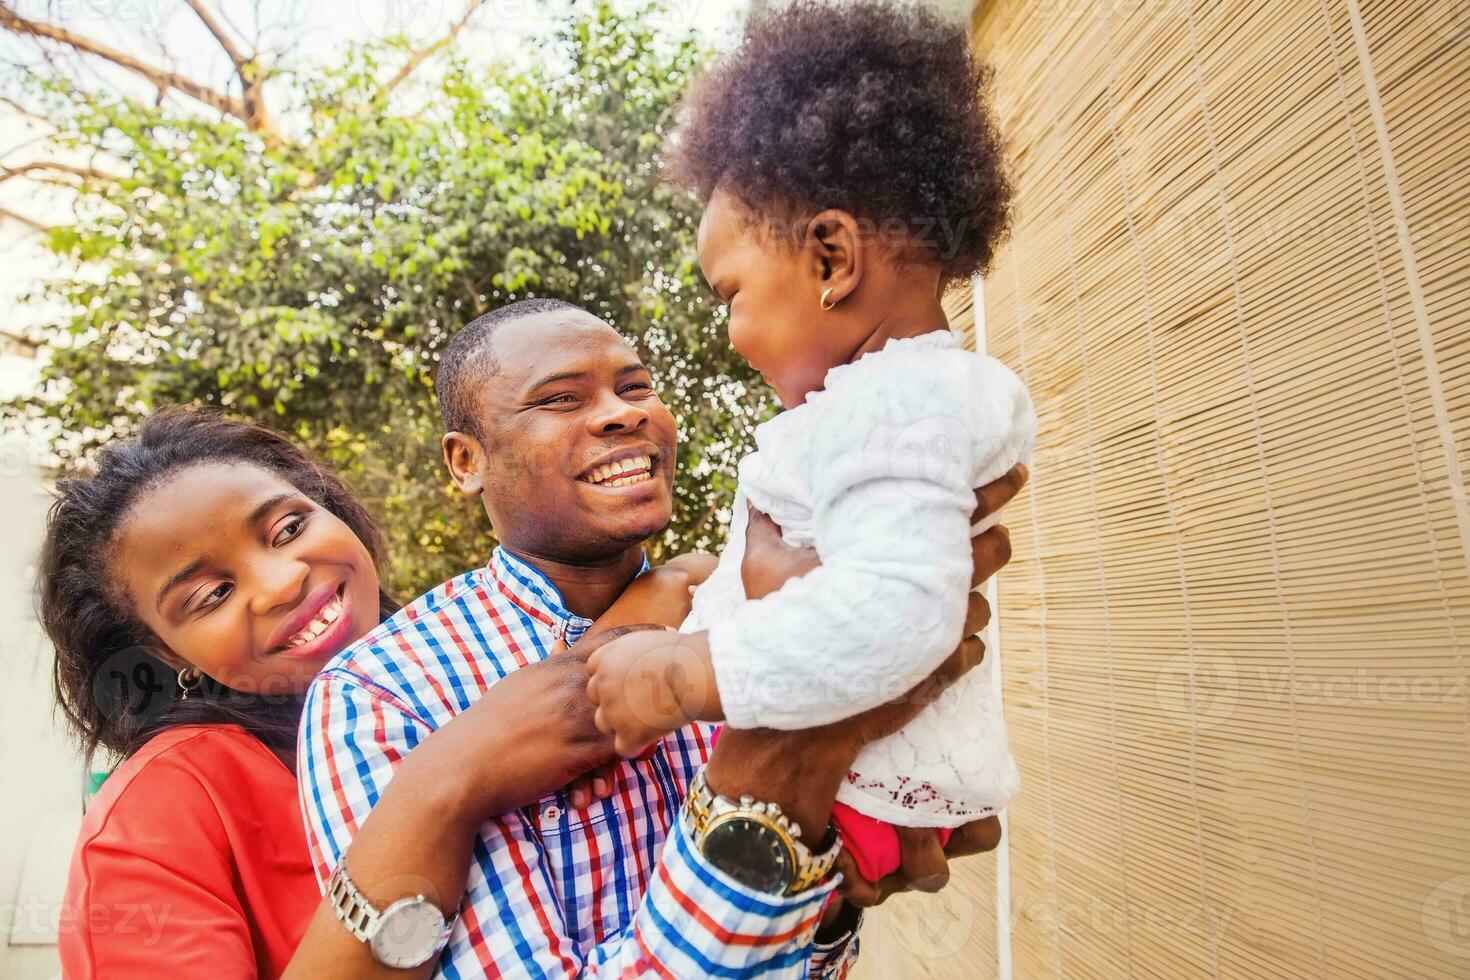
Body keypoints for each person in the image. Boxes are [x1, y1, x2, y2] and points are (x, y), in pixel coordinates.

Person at [298, 298, 1024, 976]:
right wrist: (790, 738)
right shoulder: (383, 691)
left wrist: (828, 905)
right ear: (467, 461)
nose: (621, 415)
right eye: (560, 398)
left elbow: (813, 951)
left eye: (636, 387)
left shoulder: (745, 608)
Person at [586, 0, 1033, 885]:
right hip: (837, 782)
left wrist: (681, 675)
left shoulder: (901, 402)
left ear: (830, 259)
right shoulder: (874, 402)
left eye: (729, 294)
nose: (729, 331)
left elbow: (896, 612)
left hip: (856, 801)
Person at [40, 408, 704, 978]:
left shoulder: (462, 652)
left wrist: (664, 589)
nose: (280, 583)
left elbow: (574, 706)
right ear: (162, 650)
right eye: (212, 595)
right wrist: (441, 785)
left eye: (290, 528)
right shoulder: (157, 811)